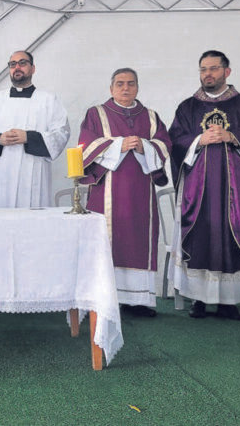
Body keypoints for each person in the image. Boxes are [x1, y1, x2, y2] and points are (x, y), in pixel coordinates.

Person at [168, 50, 240, 321]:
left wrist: (233, 135)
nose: (208, 74)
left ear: (227, 71)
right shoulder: (187, 108)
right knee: (199, 237)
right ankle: (198, 300)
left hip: (234, 191)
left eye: (213, 68)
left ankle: (229, 302)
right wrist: (198, 140)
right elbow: (175, 139)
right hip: (198, 192)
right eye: (203, 69)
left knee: (232, 238)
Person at [78, 68, 171, 316]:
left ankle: (139, 301)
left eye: (130, 84)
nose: (125, 88)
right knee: (107, 241)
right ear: (111, 88)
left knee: (139, 240)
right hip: (106, 191)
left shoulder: (150, 116)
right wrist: (119, 144)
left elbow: (164, 144)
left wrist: (144, 145)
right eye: (119, 84)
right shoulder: (96, 114)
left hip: (141, 192)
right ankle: (107, 299)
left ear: (137, 87)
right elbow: (85, 145)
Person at [0, 50, 70, 208]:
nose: (17, 67)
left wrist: (29, 137)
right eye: (12, 64)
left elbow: (61, 133)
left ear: (33, 68)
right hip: (1, 173)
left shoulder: (48, 100)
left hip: (33, 172)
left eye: (22, 63)